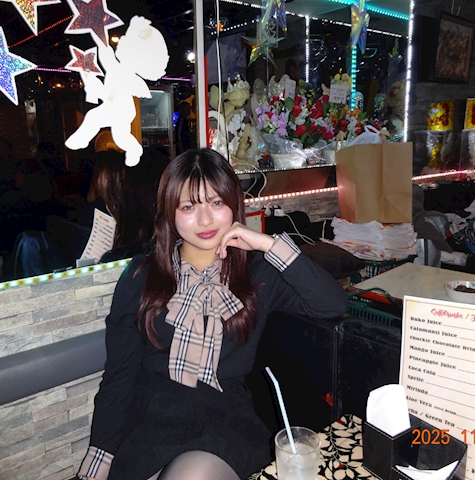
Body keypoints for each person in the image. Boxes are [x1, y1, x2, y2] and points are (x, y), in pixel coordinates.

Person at [76, 148, 348, 480]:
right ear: (170, 212)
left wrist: (269, 245)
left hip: (225, 421)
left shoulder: (257, 272)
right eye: (188, 207)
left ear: (234, 204)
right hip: (149, 422)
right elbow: (119, 375)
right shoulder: (141, 276)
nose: (205, 220)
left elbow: (332, 304)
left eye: (216, 203)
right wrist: (99, 457)